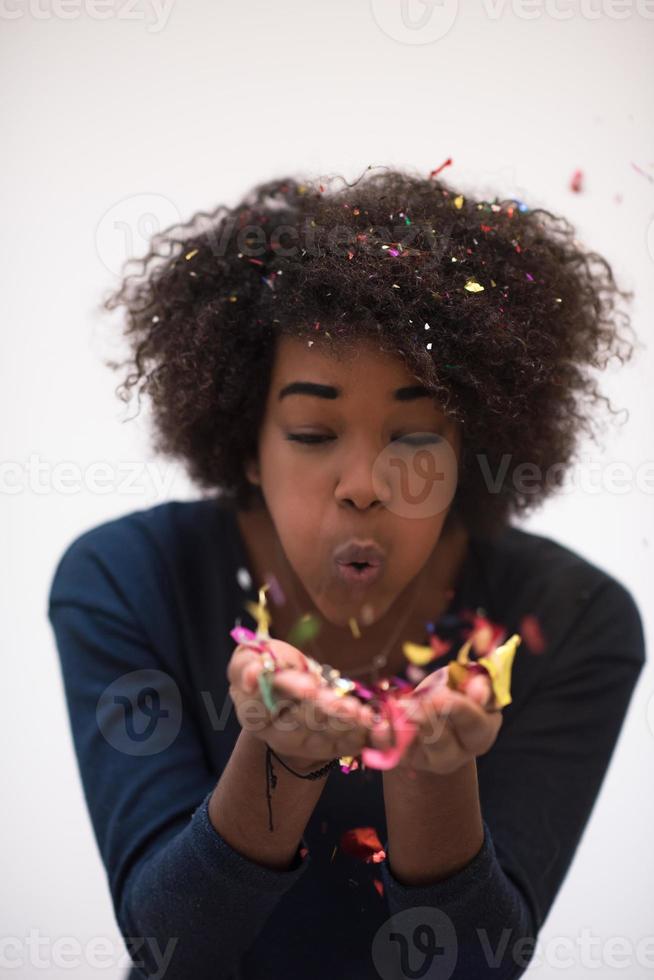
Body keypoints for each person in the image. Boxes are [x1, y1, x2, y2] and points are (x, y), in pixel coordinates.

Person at [47, 168, 646, 979]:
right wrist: (279, 756)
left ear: (469, 446)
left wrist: (436, 772)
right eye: (311, 431)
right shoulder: (125, 581)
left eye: (414, 436)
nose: (363, 482)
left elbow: (478, 964)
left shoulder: (575, 618)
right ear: (246, 445)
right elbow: (173, 947)